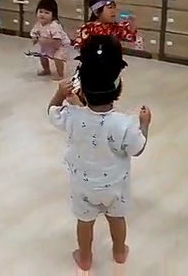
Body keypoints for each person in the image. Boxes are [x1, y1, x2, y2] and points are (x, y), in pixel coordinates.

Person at [47, 35, 151, 271]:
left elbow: (53, 112)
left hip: (83, 186)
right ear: (118, 86)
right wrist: (144, 124)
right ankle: (119, 252)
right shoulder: (124, 124)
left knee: (84, 222)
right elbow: (138, 148)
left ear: (81, 89)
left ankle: (85, 258)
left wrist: (59, 94)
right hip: (115, 186)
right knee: (117, 219)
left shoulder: (73, 115)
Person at [73, 0, 138, 50]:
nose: (113, 11)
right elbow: (78, 47)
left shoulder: (116, 27)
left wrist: (132, 22)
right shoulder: (88, 28)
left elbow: (130, 37)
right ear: (96, 12)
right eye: (110, 8)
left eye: (114, 7)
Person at [28, 0, 71, 79]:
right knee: (42, 56)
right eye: (40, 11)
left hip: (60, 46)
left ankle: (60, 74)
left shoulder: (54, 26)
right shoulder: (38, 24)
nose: (42, 15)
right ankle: (46, 70)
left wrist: (46, 41)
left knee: (57, 58)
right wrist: (35, 39)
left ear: (53, 15)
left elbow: (58, 41)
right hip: (46, 45)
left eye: (46, 13)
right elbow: (34, 33)